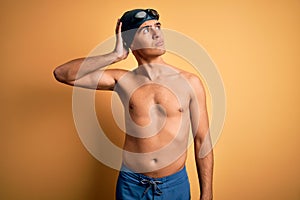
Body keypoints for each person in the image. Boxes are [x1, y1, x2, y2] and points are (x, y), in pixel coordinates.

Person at [53, 8, 213, 200]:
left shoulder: (190, 82)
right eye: (146, 30)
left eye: (158, 27)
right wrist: (115, 55)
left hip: (174, 186)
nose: (157, 33)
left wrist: (207, 193)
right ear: (131, 41)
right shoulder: (122, 80)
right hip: (131, 186)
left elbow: (202, 140)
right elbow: (63, 74)